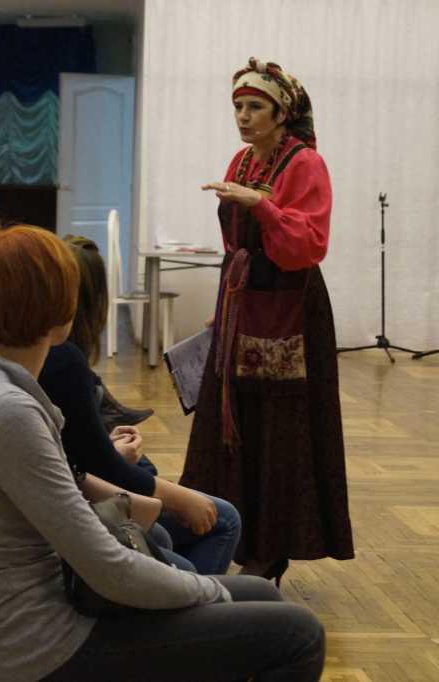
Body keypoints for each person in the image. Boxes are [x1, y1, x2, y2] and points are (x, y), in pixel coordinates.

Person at [0, 226, 325, 682]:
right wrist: (207, 592)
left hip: (31, 621)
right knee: (299, 634)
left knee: (262, 596)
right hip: (43, 647)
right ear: (64, 312)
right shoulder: (5, 410)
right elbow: (106, 567)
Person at [182, 57, 354, 581]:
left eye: (255, 106)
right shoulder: (241, 161)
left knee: (278, 429)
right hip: (243, 301)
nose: (243, 116)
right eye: (238, 106)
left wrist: (263, 205)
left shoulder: (305, 164)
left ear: (282, 113)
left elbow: (307, 245)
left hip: (288, 310)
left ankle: (270, 551)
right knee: (231, 422)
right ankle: (220, 534)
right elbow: (236, 244)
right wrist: (223, 310)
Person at [38, 236, 240, 575]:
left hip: (79, 500)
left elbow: (73, 455)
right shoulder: (62, 361)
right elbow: (90, 469)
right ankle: (191, 601)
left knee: (159, 507)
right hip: (79, 516)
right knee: (223, 520)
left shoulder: (29, 363)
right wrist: (177, 497)